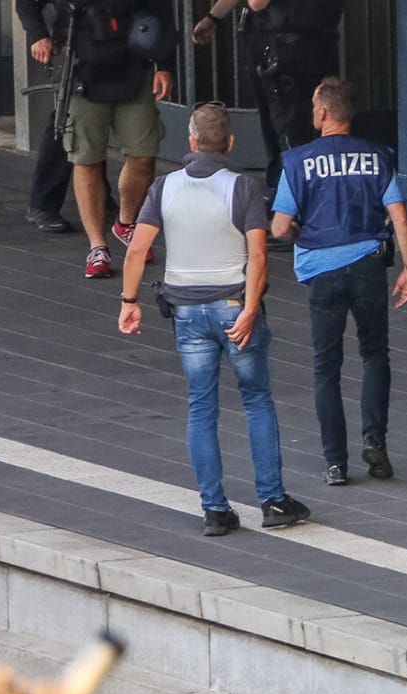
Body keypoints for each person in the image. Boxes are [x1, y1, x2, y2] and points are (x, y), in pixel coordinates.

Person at [116, 103, 310, 535]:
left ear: (190, 142)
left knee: (201, 408)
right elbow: (258, 255)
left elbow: (134, 249)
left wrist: (129, 300)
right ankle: (273, 501)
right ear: (231, 143)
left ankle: (215, 510)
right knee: (257, 401)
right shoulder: (242, 187)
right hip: (233, 307)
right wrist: (250, 309)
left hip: (186, 313)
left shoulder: (164, 187)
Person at [269, 77, 407, 488]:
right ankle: (376, 442)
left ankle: (335, 463)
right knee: (374, 354)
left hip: (321, 271)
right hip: (368, 264)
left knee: (325, 368)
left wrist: (301, 235)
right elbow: (401, 218)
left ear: (321, 113)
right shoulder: (376, 157)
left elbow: (280, 227)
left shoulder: (298, 161)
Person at [23, 0, 173, 279]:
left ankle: (126, 223)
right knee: (86, 158)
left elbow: (160, 10)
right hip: (83, 68)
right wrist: (38, 35)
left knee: (144, 154)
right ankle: (97, 246)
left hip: (134, 66)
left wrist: (164, 63)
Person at [190, 0, 345, 196]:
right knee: (298, 133)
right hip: (301, 47)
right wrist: (214, 17)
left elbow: (257, 3)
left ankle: (292, 206)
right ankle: (298, 200)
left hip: (290, 52)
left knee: (291, 136)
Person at [12, 0, 81, 233]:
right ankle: (43, 203)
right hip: (74, 46)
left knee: (94, 123)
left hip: (115, 46)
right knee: (68, 121)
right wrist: (38, 35)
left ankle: (101, 197)